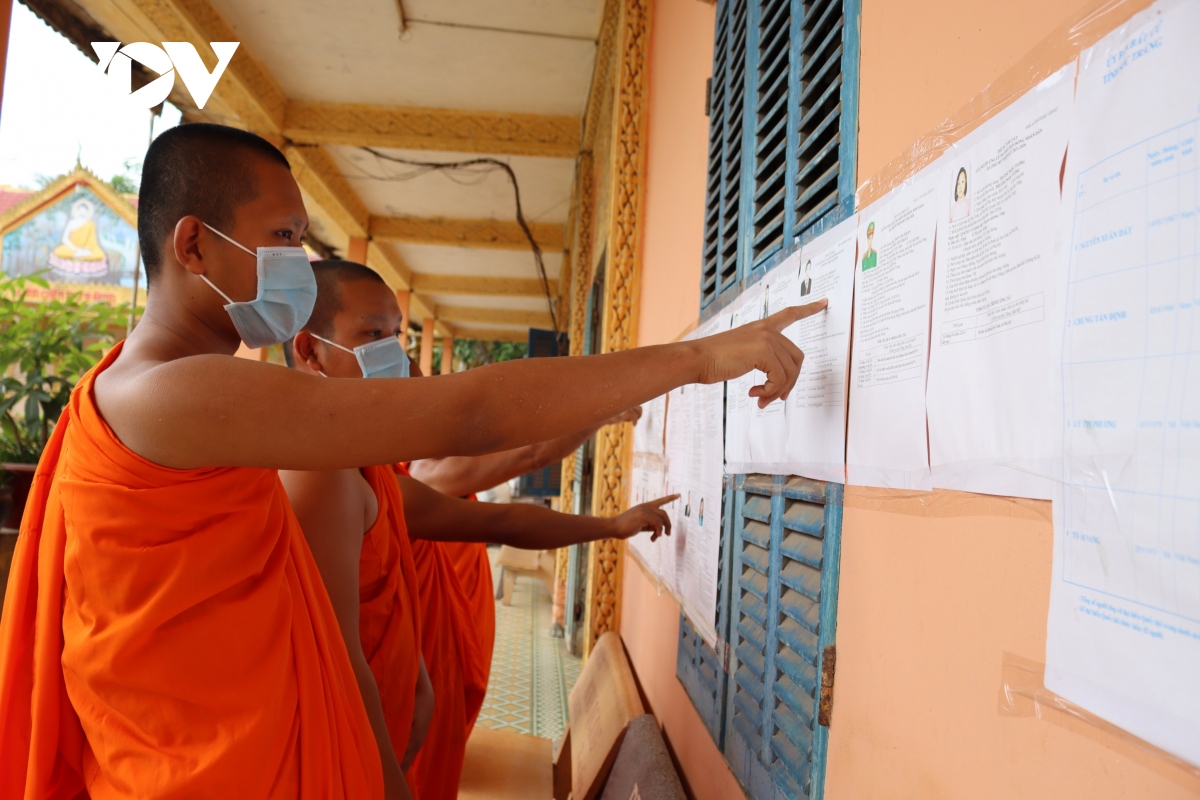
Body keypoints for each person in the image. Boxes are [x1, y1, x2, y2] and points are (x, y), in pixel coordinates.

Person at [0, 121, 824, 800]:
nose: (297, 259)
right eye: (282, 237)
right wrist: (693, 358)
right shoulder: (167, 394)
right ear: (193, 245)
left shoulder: (186, 397)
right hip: (208, 773)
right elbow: (467, 414)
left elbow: (461, 511)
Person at [282, 259, 677, 800]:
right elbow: (338, 659)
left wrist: (611, 525)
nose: (397, 358)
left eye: (396, 336)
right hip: (352, 754)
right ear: (310, 351)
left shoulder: (374, 474)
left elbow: (499, 520)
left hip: (402, 721)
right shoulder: (323, 478)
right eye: (372, 335)